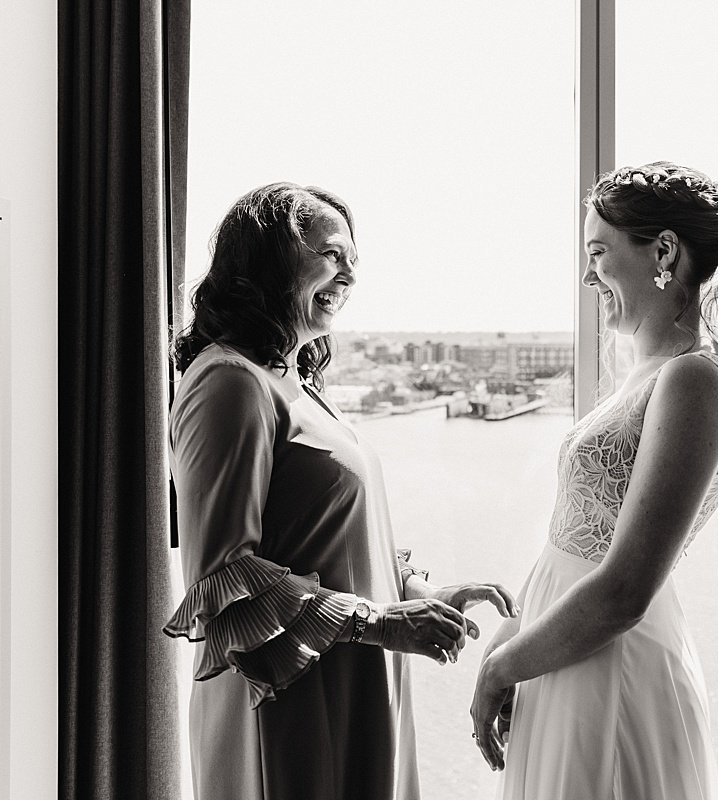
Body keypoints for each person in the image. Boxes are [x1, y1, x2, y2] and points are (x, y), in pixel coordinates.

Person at [163, 182, 517, 800]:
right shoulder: (228, 382)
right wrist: (378, 623)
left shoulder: (295, 381)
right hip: (284, 701)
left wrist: (419, 591)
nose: (350, 273)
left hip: (348, 682)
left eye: (354, 258)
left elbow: (330, 533)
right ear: (271, 258)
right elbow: (223, 575)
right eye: (330, 253)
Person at [470, 162, 718, 799]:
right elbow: (577, 539)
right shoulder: (647, 372)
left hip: (611, 671)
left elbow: (625, 589)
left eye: (599, 252)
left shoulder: (693, 380)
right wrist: (515, 639)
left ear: (665, 252)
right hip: (568, 658)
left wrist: (499, 672)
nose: (588, 274)